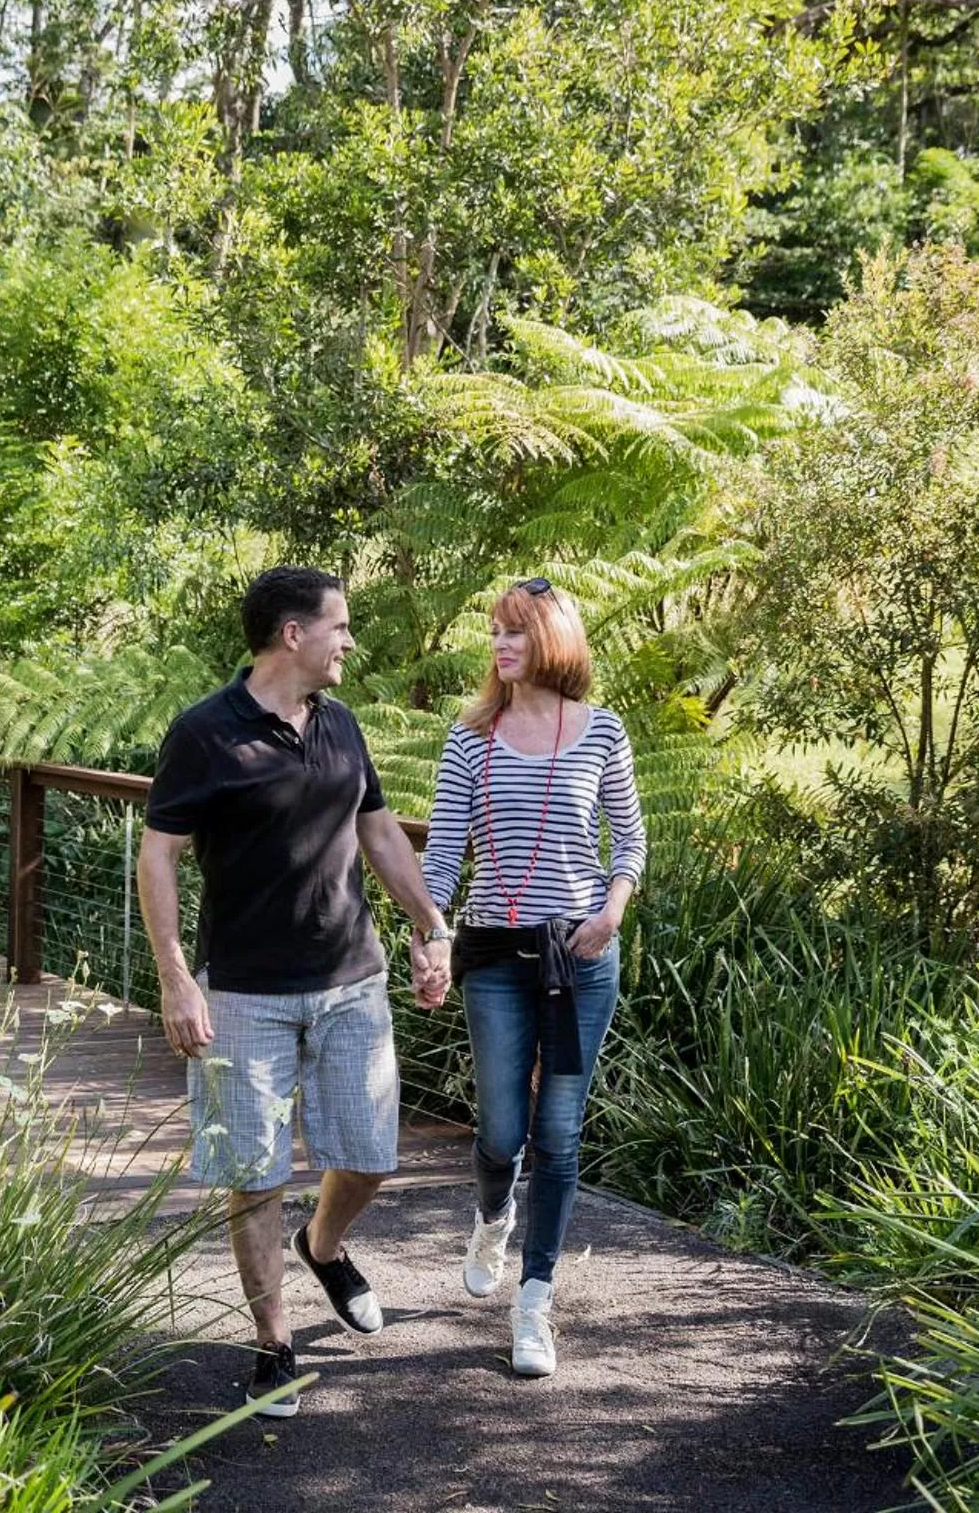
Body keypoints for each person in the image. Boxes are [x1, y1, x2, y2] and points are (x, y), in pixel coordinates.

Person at [138, 566, 453, 1419]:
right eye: (340, 627)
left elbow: (378, 829)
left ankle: (324, 1244)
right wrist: (175, 978)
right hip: (243, 992)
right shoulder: (205, 733)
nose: (349, 641)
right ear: (293, 634)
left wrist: (431, 924)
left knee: (370, 1155)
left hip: (351, 980)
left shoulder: (342, 724)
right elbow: (158, 856)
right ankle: (271, 1345)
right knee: (255, 1175)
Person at [419, 576, 646, 1379]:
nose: (500, 646)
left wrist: (612, 912)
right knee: (501, 1132)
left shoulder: (603, 731)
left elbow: (631, 845)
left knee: (558, 1134)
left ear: (551, 639)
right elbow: (443, 853)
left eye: (514, 632)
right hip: (493, 955)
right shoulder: (471, 736)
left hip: (580, 958)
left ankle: (534, 1303)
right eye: (495, 633)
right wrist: (433, 935)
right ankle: (491, 1216)